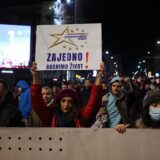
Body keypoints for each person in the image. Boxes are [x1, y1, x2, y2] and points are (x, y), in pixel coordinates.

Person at [30, 62, 104, 127]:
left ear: (74, 104)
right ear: (59, 102)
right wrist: (36, 77)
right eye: (63, 101)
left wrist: (99, 77)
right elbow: (37, 103)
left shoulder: (80, 118)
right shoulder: (52, 117)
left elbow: (93, 104)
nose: (66, 105)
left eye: (70, 102)